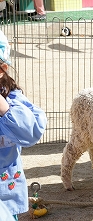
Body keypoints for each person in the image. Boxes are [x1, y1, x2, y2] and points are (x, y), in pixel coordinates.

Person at [0, 30, 47, 220]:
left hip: (5, 195)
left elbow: (32, 132)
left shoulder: (12, 99)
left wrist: (4, 109)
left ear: (2, 68)